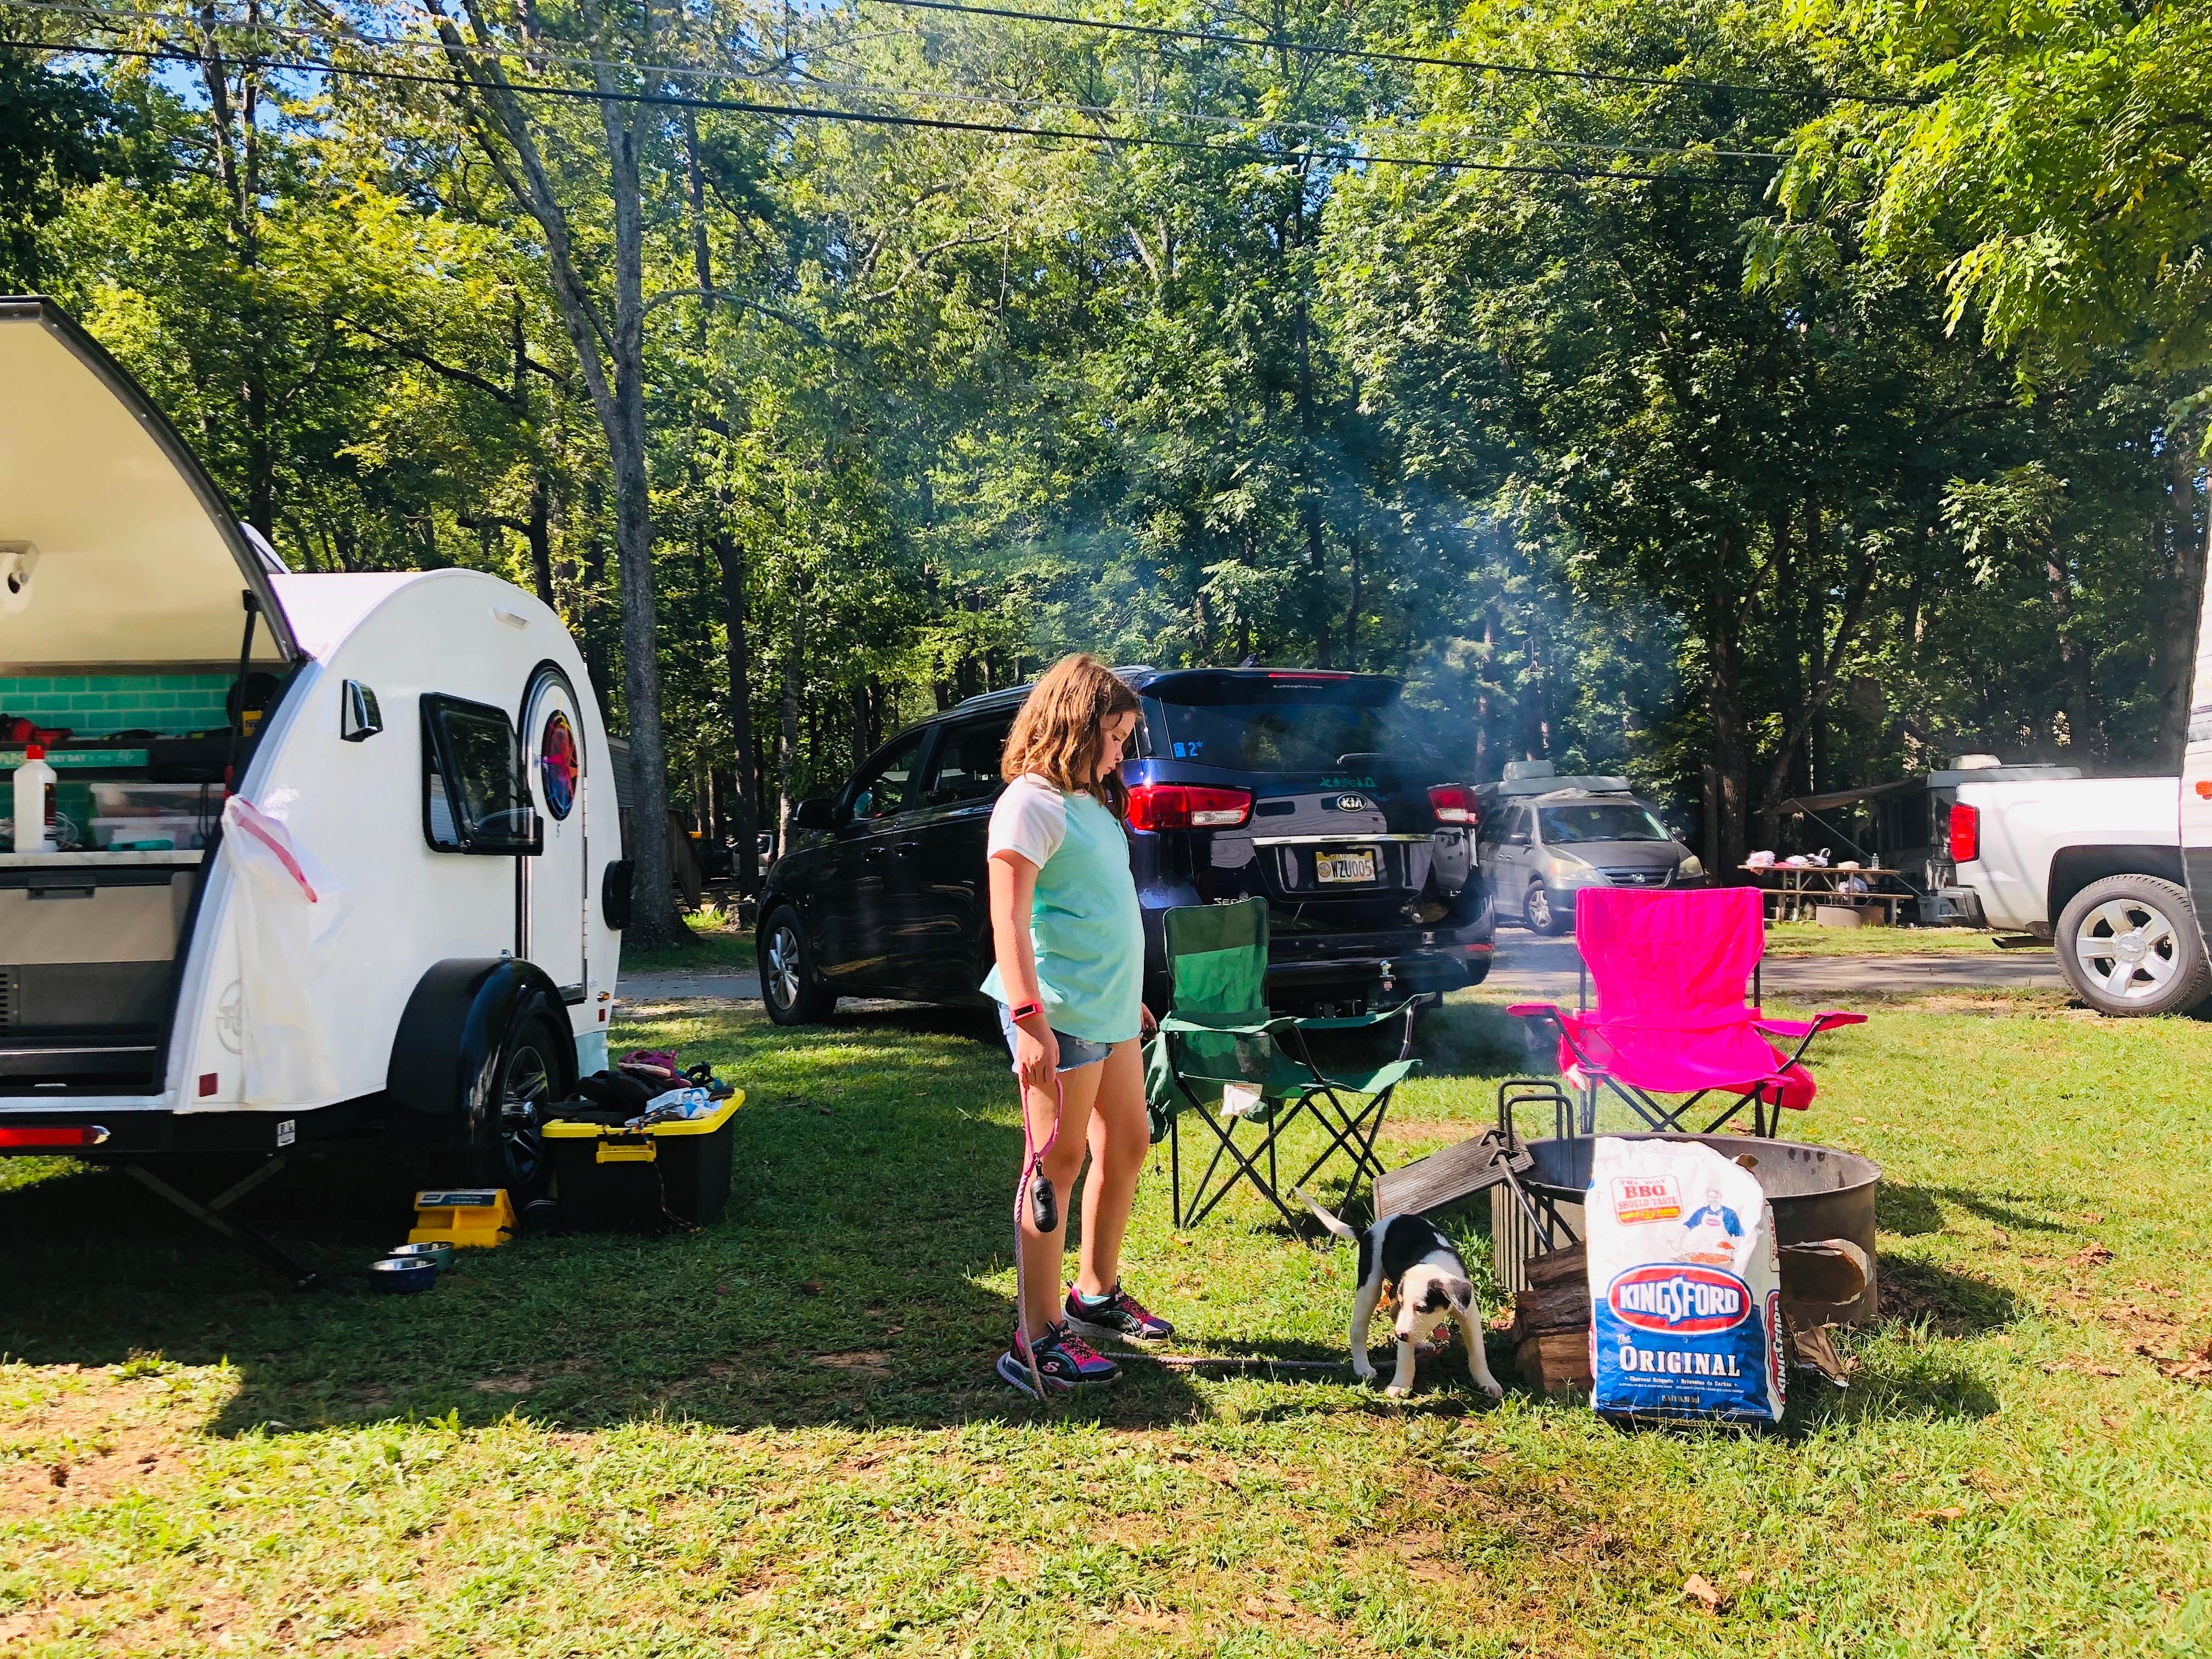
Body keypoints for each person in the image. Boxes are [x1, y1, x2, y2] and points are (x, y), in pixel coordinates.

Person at [984, 653, 1172, 1397]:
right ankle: (1034, 1340)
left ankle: (1092, 1296)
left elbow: (1099, 909)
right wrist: (1029, 1022)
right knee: (1054, 1167)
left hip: (1109, 1011)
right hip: (1057, 1014)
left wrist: (1128, 998)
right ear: (1076, 724)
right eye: (1116, 735)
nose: (1122, 751)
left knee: (1128, 1142)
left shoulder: (1092, 801)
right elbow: (1008, 917)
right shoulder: (1029, 803)